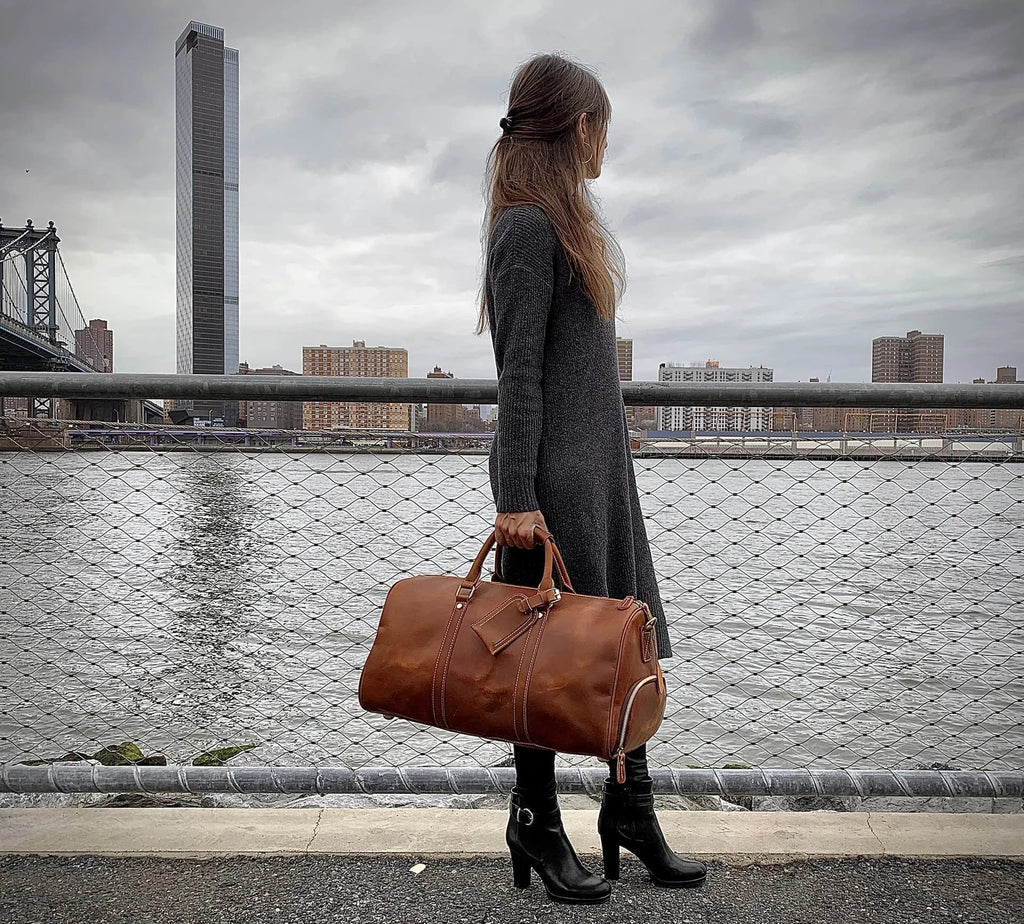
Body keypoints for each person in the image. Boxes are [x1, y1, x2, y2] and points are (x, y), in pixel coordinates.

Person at [475, 53, 708, 904]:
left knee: (622, 649)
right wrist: (516, 501)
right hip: (552, 494)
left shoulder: (564, 223)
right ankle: (535, 819)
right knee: (542, 658)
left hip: (600, 479)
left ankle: (630, 811)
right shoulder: (529, 228)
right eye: (602, 124)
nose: (605, 140)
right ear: (580, 127)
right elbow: (518, 378)